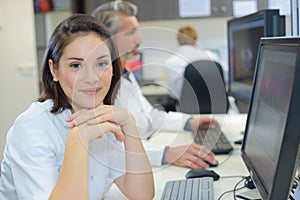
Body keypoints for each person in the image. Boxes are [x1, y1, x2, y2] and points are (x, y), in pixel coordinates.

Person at [0, 14, 154, 200]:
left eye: (101, 63)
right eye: (76, 65)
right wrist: (78, 140)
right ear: (53, 70)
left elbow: (142, 194)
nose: (91, 77)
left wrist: (129, 124)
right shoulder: (31, 128)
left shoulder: (102, 117)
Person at [92, 1, 218, 169]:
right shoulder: (95, 85)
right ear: (107, 39)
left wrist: (190, 122)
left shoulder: (125, 75)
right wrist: (165, 153)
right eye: (131, 33)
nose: (140, 39)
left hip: (146, 153)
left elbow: (150, 116)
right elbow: (112, 146)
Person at [165, 26, 225, 99]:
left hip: (185, 108)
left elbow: (173, 94)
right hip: (216, 106)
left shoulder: (171, 62)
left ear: (178, 40)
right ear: (196, 39)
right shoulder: (210, 57)